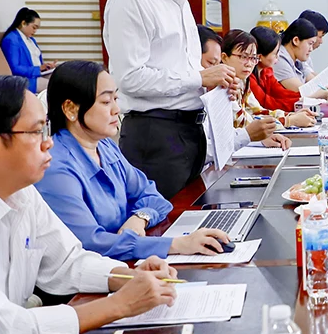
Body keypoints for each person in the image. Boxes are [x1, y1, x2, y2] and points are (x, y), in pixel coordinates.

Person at [0, 75, 179, 334]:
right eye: (36, 132)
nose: (48, 143)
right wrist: (120, 305)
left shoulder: (20, 192)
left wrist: (128, 277)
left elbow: (67, 261)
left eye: (46, 129)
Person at [102, 0, 236, 199]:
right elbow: (129, 78)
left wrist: (216, 81)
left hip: (190, 131)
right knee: (163, 220)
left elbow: (181, 69)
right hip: (156, 136)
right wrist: (200, 78)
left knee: (193, 216)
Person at [35, 61, 233, 261]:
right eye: (106, 102)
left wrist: (140, 218)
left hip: (126, 260)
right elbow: (91, 243)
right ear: (70, 109)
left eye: (116, 99)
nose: (116, 109)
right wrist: (176, 245)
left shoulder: (105, 147)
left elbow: (154, 197)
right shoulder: (55, 168)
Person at [221, 30, 314, 144]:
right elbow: (243, 121)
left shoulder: (244, 80)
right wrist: (288, 120)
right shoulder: (223, 85)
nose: (249, 64)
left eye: (253, 58)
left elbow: (257, 111)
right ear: (224, 57)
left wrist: (290, 115)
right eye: (243, 57)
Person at [1, 7, 56, 93]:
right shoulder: (12, 40)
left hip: (37, 74)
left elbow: (35, 61)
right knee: (57, 86)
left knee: (62, 78)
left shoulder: (31, 40)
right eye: (34, 27)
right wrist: (38, 69)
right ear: (23, 23)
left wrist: (45, 67)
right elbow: (14, 68)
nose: (35, 31)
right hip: (25, 79)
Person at [275, 18, 328, 99]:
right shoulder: (279, 59)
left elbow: (314, 82)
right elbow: (301, 91)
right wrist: (321, 94)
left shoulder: (298, 58)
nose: (311, 49)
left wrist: (326, 88)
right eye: (310, 44)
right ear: (296, 40)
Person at [250, 25, 302, 112]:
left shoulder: (266, 71)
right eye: (275, 53)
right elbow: (267, 104)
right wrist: (299, 103)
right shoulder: (249, 78)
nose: (278, 56)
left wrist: (303, 98)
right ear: (259, 57)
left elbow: (281, 93)